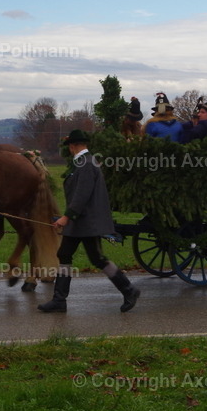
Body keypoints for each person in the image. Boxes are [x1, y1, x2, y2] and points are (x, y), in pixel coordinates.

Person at [38, 130, 140, 313]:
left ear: (73, 146)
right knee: (65, 254)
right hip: (81, 222)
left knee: (97, 258)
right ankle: (59, 300)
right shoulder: (85, 162)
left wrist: (65, 217)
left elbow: (81, 196)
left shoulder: (85, 164)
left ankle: (129, 289)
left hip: (86, 223)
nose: (69, 150)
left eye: (69, 147)